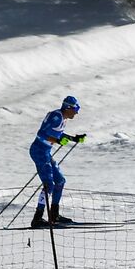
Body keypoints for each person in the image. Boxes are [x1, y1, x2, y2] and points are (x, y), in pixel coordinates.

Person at [30, 96, 85, 228]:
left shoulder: (63, 119)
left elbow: (57, 134)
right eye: (76, 109)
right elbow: (41, 134)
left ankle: (54, 215)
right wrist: (58, 141)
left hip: (46, 152)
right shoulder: (56, 116)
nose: (77, 112)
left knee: (60, 181)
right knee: (49, 184)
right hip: (39, 151)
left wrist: (73, 138)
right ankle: (37, 218)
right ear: (68, 108)